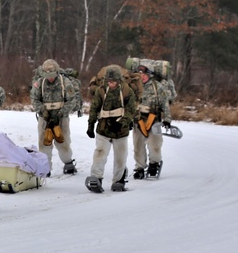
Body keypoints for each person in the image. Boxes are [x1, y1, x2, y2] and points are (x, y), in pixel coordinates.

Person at [86, 64, 138, 192]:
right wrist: (91, 125)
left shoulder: (127, 91)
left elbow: (131, 109)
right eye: (109, 81)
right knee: (100, 153)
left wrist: (124, 122)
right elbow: (94, 108)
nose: (111, 84)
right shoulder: (101, 90)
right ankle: (96, 178)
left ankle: (118, 180)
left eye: (114, 81)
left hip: (121, 130)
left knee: (121, 156)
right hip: (103, 128)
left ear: (119, 80)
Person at [30, 58, 80, 175]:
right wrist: (43, 111)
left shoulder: (65, 82)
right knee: (44, 142)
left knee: (63, 141)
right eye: (47, 75)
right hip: (45, 116)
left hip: (61, 116)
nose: (50, 78)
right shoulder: (39, 83)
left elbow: (71, 100)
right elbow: (34, 99)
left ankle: (68, 162)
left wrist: (62, 112)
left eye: (52, 75)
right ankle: (46, 167)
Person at [132, 64, 173, 179]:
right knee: (138, 146)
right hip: (137, 120)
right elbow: (128, 104)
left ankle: (154, 164)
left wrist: (167, 119)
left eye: (144, 75)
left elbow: (165, 104)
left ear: (149, 75)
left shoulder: (157, 87)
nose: (142, 77)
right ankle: (139, 167)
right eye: (140, 75)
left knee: (155, 144)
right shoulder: (133, 87)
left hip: (154, 119)